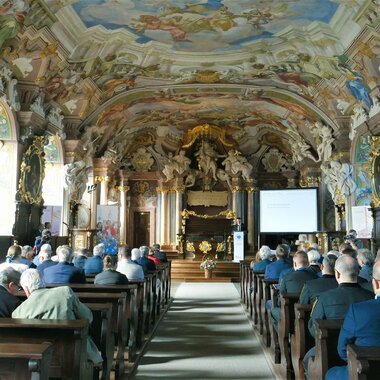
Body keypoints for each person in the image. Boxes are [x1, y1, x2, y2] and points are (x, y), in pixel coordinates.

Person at [12, 269, 102, 365]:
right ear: (43, 281)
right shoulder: (64, 292)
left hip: (39, 360)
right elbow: (88, 317)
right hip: (73, 355)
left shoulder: (18, 312)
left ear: (26, 289)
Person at [303, 255, 373, 374]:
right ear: (358, 271)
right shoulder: (370, 297)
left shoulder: (324, 298)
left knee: (307, 360)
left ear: (337, 274)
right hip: (366, 355)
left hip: (330, 351)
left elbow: (312, 328)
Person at [325, 260, 380, 380]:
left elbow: (342, 349)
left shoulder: (358, 310)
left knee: (330, 374)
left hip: (367, 372)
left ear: (375, 283)